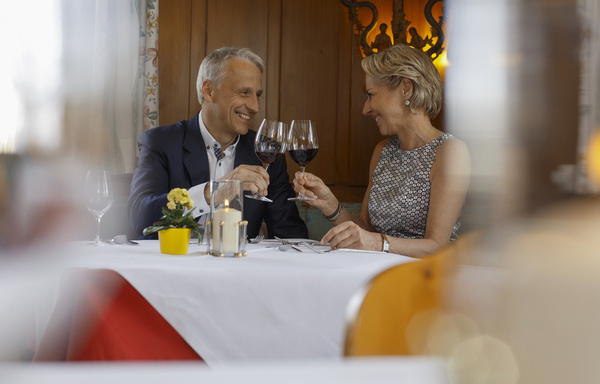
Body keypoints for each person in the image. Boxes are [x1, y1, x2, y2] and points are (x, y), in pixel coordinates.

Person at [293, 44, 470, 257]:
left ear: (406, 88)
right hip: (376, 268)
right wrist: (329, 203)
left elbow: (437, 246)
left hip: (423, 273)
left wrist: (378, 243)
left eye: (371, 95)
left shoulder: (450, 152)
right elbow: (365, 231)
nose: (365, 109)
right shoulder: (383, 150)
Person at [128, 47, 308, 239]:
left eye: (257, 94)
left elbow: (290, 234)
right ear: (208, 91)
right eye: (244, 92)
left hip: (240, 259)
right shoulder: (160, 142)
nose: (255, 107)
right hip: (174, 257)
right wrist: (212, 192)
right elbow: (140, 216)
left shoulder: (268, 153)